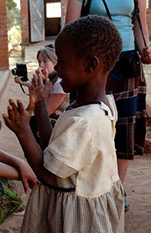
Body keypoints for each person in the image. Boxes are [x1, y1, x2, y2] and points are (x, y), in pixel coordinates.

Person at [4, 16, 124, 232]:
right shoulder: (97, 106)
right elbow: (55, 147)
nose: (57, 68)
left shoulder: (85, 122)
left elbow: (46, 172)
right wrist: (40, 104)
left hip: (76, 219)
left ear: (90, 64)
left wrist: (23, 132)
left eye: (62, 61)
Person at [66, 0, 151, 210]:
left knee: (125, 126)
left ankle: (117, 191)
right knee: (89, 125)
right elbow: (70, 30)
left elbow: (139, 23)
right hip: (93, 64)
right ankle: (88, 188)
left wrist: (145, 49)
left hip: (127, 63)